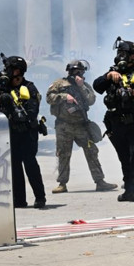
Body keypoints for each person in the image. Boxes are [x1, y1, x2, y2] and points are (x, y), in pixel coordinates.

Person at [93, 38, 134, 203]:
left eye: (124, 53)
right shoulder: (113, 72)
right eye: (118, 53)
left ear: (133, 56)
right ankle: (128, 190)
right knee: (124, 158)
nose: (120, 56)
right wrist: (108, 76)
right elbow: (97, 86)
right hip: (117, 124)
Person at [46, 60, 117, 194]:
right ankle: (62, 183)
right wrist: (64, 96)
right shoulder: (59, 83)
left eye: (80, 71)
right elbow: (49, 97)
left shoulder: (85, 85)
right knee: (63, 154)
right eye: (75, 71)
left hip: (81, 125)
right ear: (70, 72)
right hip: (64, 125)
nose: (78, 74)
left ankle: (100, 181)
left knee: (92, 152)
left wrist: (81, 86)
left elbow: (91, 100)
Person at [0, 55, 46, 209]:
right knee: (14, 167)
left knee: (30, 165)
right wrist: (2, 95)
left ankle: (40, 198)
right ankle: (19, 199)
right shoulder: (2, 88)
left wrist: (14, 107)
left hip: (27, 134)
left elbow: (32, 111)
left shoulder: (29, 87)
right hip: (10, 135)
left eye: (11, 69)